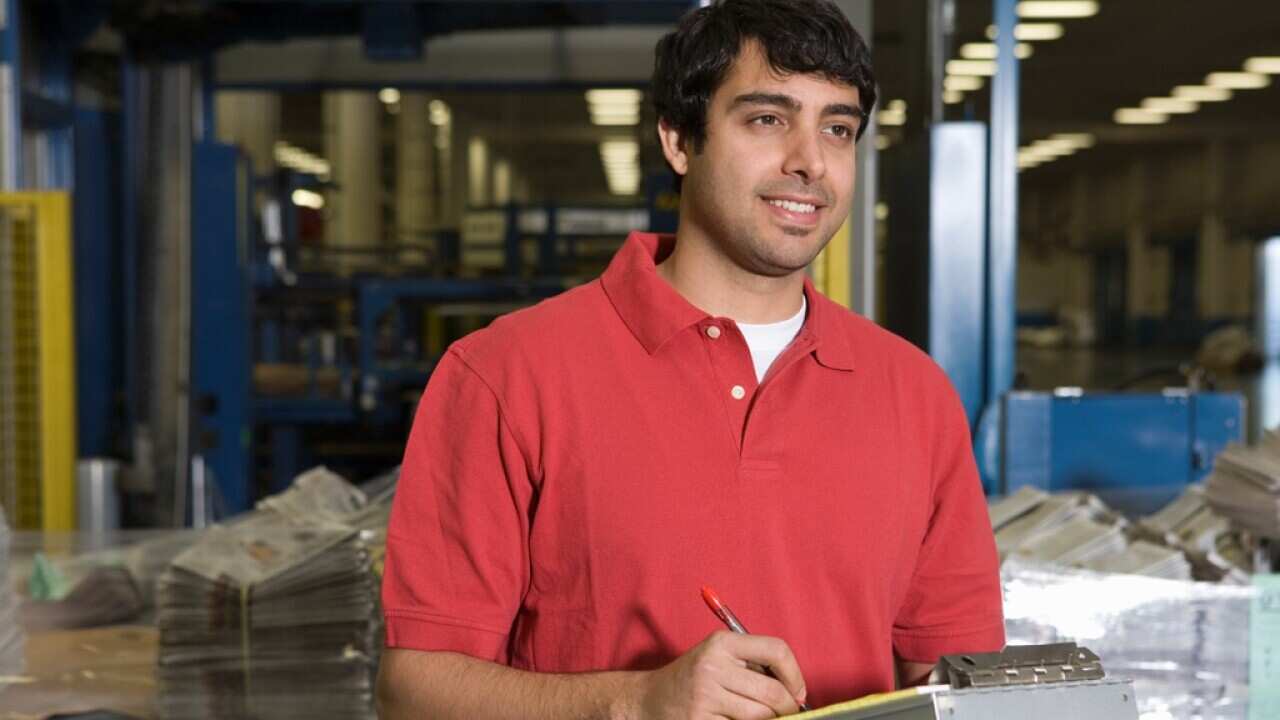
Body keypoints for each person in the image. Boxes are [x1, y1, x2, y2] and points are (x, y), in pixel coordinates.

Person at [376, 1, 1005, 717]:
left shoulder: (914, 393)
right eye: (767, 119)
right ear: (678, 140)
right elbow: (413, 693)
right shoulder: (504, 375)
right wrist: (637, 702)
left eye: (838, 128)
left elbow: (961, 675)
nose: (809, 161)